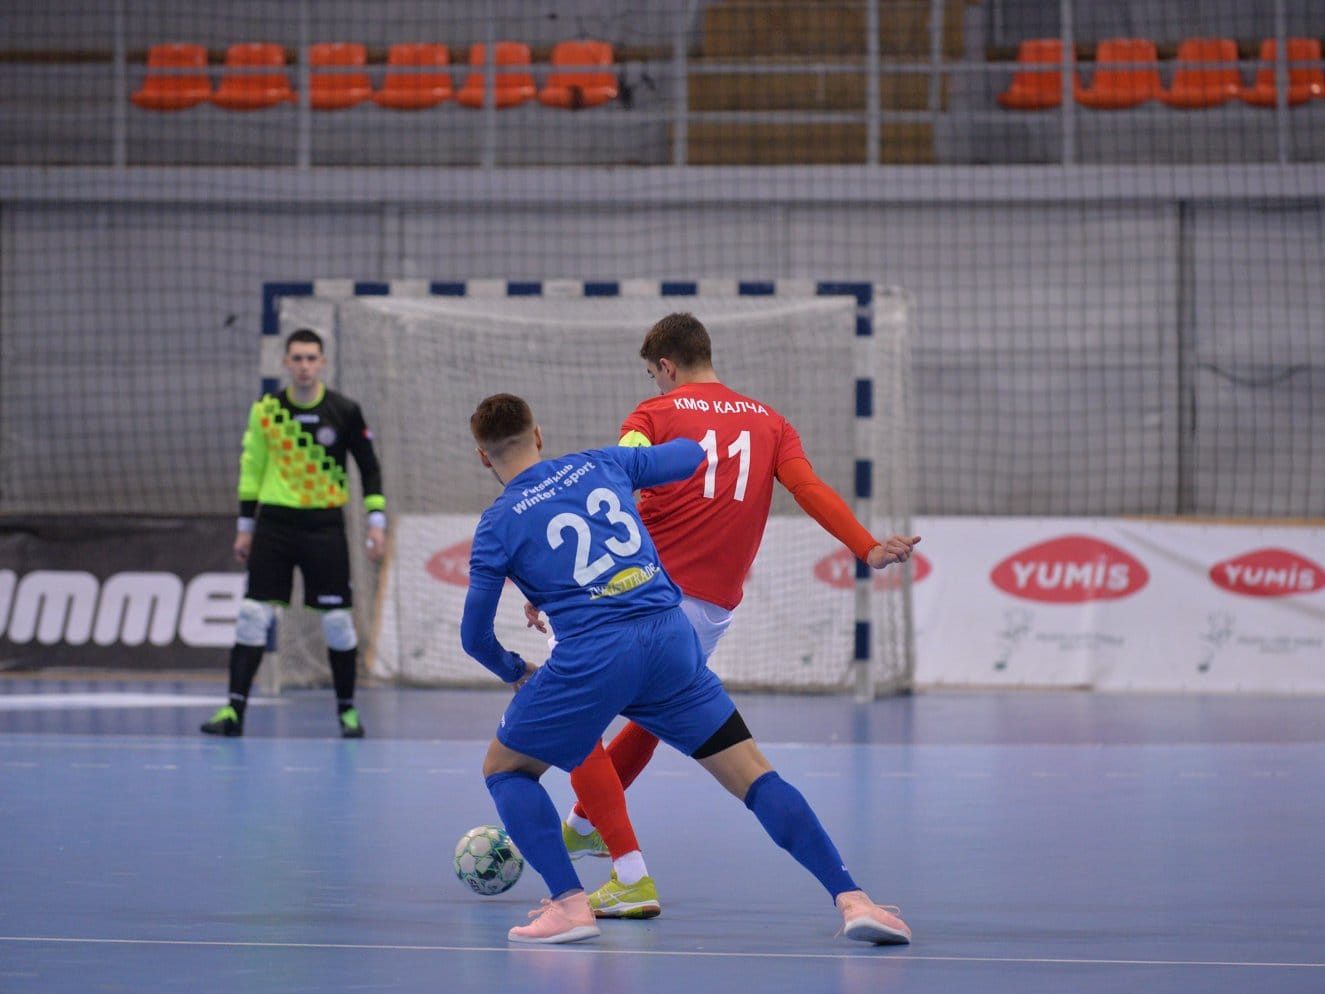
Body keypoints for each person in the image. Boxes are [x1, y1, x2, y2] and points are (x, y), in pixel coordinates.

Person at [461, 392, 911, 946]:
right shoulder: (603, 462)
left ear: (484, 458)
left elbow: (474, 638)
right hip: (670, 643)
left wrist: (515, 669)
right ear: (540, 435)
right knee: (756, 776)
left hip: (593, 658)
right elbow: (690, 457)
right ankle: (854, 901)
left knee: (506, 769)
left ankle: (570, 905)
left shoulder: (497, 523)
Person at [549, 312, 920, 919]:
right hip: (708, 615)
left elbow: (610, 491)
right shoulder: (772, 422)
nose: (655, 385)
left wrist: (555, 583)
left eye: (653, 375)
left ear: (665, 366)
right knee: (670, 725)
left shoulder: (653, 416)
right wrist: (865, 546)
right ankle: (854, 901)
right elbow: (809, 489)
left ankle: (623, 869)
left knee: (564, 732)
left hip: (641, 603)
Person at [201, 328, 386, 739]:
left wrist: (377, 522)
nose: (304, 366)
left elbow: (369, 466)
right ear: (285, 363)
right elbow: (252, 471)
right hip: (275, 527)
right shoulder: (266, 411)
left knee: (338, 621)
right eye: (297, 358)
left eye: (311, 358)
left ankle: (347, 712)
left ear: (323, 363)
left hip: (324, 527)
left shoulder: (344, 410)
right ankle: (233, 712)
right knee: (252, 616)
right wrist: (245, 529)